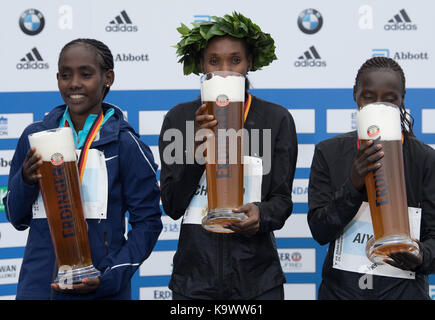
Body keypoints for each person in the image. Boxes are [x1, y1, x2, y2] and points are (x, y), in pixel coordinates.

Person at [2, 38, 163, 299]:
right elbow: (16, 217)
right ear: (57, 79)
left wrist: (109, 276)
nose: (74, 83)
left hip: (100, 289)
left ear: (107, 78)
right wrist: (26, 180)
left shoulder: (126, 143)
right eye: (66, 75)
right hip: (39, 289)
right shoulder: (36, 137)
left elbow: (147, 223)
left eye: (85, 74)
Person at [159, 12, 298, 300]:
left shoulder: (276, 118)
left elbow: (282, 201)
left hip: (258, 282)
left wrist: (262, 214)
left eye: (235, 60)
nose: (225, 70)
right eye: (214, 61)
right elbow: (172, 205)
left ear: (250, 63)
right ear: (201, 64)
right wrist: (196, 151)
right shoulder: (179, 118)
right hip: (193, 282)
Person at [308, 56, 435, 299]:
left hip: (404, 294)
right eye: (368, 97)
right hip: (341, 294)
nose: (378, 107)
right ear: (355, 95)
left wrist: (421, 255)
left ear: (402, 100)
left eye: (389, 100)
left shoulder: (425, 159)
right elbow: (320, 230)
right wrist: (353, 184)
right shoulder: (329, 152)